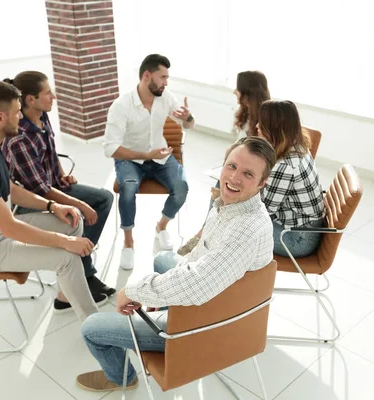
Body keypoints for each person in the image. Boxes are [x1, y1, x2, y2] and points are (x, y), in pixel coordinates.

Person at [75, 136, 276, 393]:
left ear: (262, 183)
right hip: (222, 300)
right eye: (232, 166)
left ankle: (121, 378)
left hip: (206, 324)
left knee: (91, 328)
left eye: (248, 174)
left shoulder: (245, 229)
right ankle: (163, 299)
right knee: (164, 260)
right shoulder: (230, 205)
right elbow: (200, 257)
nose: (234, 178)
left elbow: (198, 285)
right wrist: (162, 292)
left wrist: (135, 290)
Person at [0, 80, 102, 321]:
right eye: (17, 112)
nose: (21, 117)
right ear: (0, 117)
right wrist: (65, 242)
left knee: (72, 219)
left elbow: (10, 189)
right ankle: (97, 328)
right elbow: (9, 227)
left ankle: (66, 295)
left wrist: (53, 205)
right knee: (67, 257)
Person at [1, 71, 116, 308]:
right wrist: (80, 204)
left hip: (51, 185)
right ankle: (80, 276)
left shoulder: (42, 115)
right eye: (47, 93)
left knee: (102, 199)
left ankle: (80, 272)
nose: (53, 96)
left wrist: (62, 173)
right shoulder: (19, 138)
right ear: (30, 100)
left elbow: (50, 151)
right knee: (87, 209)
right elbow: (40, 190)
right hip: (29, 200)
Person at [102, 54, 194, 270]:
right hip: (131, 159)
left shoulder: (166, 96)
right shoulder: (121, 105)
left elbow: (187, 126)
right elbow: (110, 148)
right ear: (146, 76)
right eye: (162, 77)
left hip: (160, 156)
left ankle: (161, 226)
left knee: (182, 187)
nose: (166, 83)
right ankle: (128, 242)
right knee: (128, 187)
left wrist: (188, 118)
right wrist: (146, 154)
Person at [177, 70, 271, 255]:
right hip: (245, 172)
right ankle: (204, 234)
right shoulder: (244, 113)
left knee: (222, 186)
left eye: (238, 88)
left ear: (247, 91)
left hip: (256, 181)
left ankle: (202, 236)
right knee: (221, 182)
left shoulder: (266, 120)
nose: (234, 92)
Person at [257, 100, 326, 257]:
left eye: (262, 123)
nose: (257, 127)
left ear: (273, 129)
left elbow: (263, 211)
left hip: (297, 239)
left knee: (236, 226)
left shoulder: (286, 165)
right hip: (304, 226)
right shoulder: (298, 145)